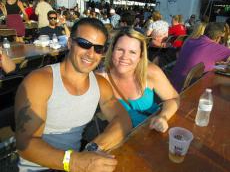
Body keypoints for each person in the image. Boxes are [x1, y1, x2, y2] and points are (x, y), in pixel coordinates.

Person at [15, 18, 132, 172]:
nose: (91, 54)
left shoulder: (99, 84)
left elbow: (123, 120)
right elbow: (25, 144)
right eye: (84, 43)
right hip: (39, 168)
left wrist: (93, 148)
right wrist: (74, 162)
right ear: (70, 44)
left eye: (98, 49)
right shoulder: (39, 82)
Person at [97, 27, 179, 130]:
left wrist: (163, 117)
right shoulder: (100, 79)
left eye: (132, 52)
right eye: (120, 50)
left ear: (141, 55)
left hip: (153, 131)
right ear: (112, 50)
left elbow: (173, 98)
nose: (124, 57)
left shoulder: (150, 72)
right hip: (123, 137)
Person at [170, 22, 230, 92]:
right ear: (218, 38)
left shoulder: (190, 41)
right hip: (187, 90)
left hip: (172, 85)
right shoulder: (213, 46)